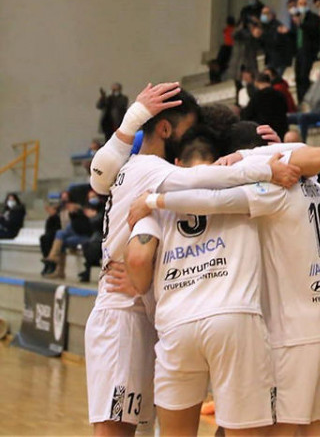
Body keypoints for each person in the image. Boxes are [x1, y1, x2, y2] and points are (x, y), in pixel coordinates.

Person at [85, 85, 298, 436]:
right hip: (124, 311)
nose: (192, 139)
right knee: (116, 430)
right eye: (189, 129)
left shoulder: (156, 181)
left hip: (151, 312)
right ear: (166, 130)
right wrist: (268, 165)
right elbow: (202, 176)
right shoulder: (152, 172)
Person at [124, 127, 320, 435]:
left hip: (175, 325)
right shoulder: (251, 182)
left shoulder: (153, 194)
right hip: (233, 318)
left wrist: (135, 285)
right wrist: (273, 156)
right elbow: (316, 166)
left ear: (177, 163)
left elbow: (138, 258)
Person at [291, 54, 320, 142]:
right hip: (312, 109)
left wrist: (317, 100)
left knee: (302, 118)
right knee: (288, 117)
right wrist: (307, 102)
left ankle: (302, 143)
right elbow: (310, 93)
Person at [42, 198, 93, 279]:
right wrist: (73, 214)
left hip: (85, 236)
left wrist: (77, 213)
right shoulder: (73, 215)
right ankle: (57, 267)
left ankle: (53, 260)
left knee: (62, 238)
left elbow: (83, 229)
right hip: (76, 234)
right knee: (60, 236)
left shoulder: (85, 213)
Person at [290, 0, 320, 101]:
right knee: (298, 77)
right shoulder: (296, 18)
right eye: (300, 4)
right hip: (298, 51)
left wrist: (301, 24)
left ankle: (307, 99)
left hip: (308, 50)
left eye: (305, 4)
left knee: (305, 76)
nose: (302, 6)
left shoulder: (314, 18)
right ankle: (300, 101)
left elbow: (313, 30)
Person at [241, 73, 289, 139]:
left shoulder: (256, 97)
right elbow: (286, 109)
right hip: (281, 130)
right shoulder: (279, 94)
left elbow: (247, 114)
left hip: (265, 132)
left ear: (256, 82)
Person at [260, 6, 294, 76]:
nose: (263, 16)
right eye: (262, 13)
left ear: (272, 15)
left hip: (278, 60)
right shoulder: (265, 27)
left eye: (266, 13)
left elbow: (277, 42)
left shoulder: (277, 26)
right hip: (270, 59)